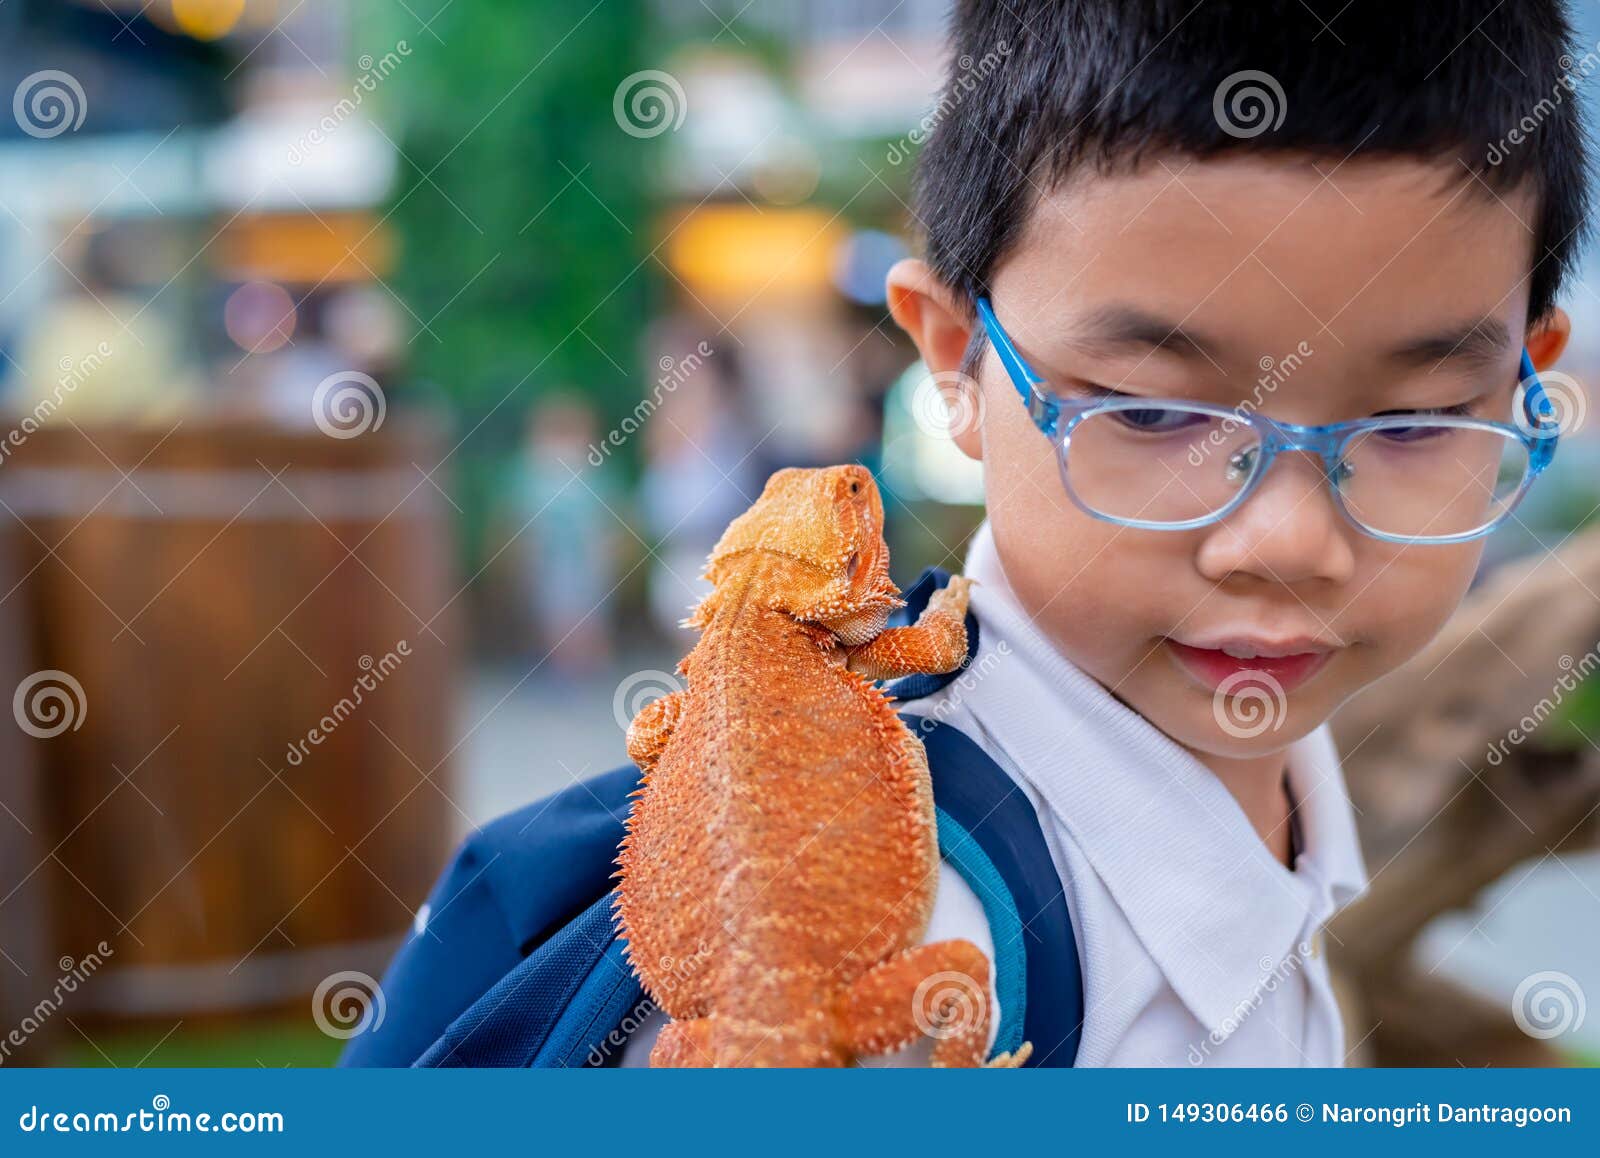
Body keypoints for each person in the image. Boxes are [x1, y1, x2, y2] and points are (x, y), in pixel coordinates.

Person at [343, 0, 1590, 1067]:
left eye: (1419, 422)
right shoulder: (954, 951)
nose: (1283, 542)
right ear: (954, 361)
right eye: (1151, 411)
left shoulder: (1279, 811)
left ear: (1533, 382)